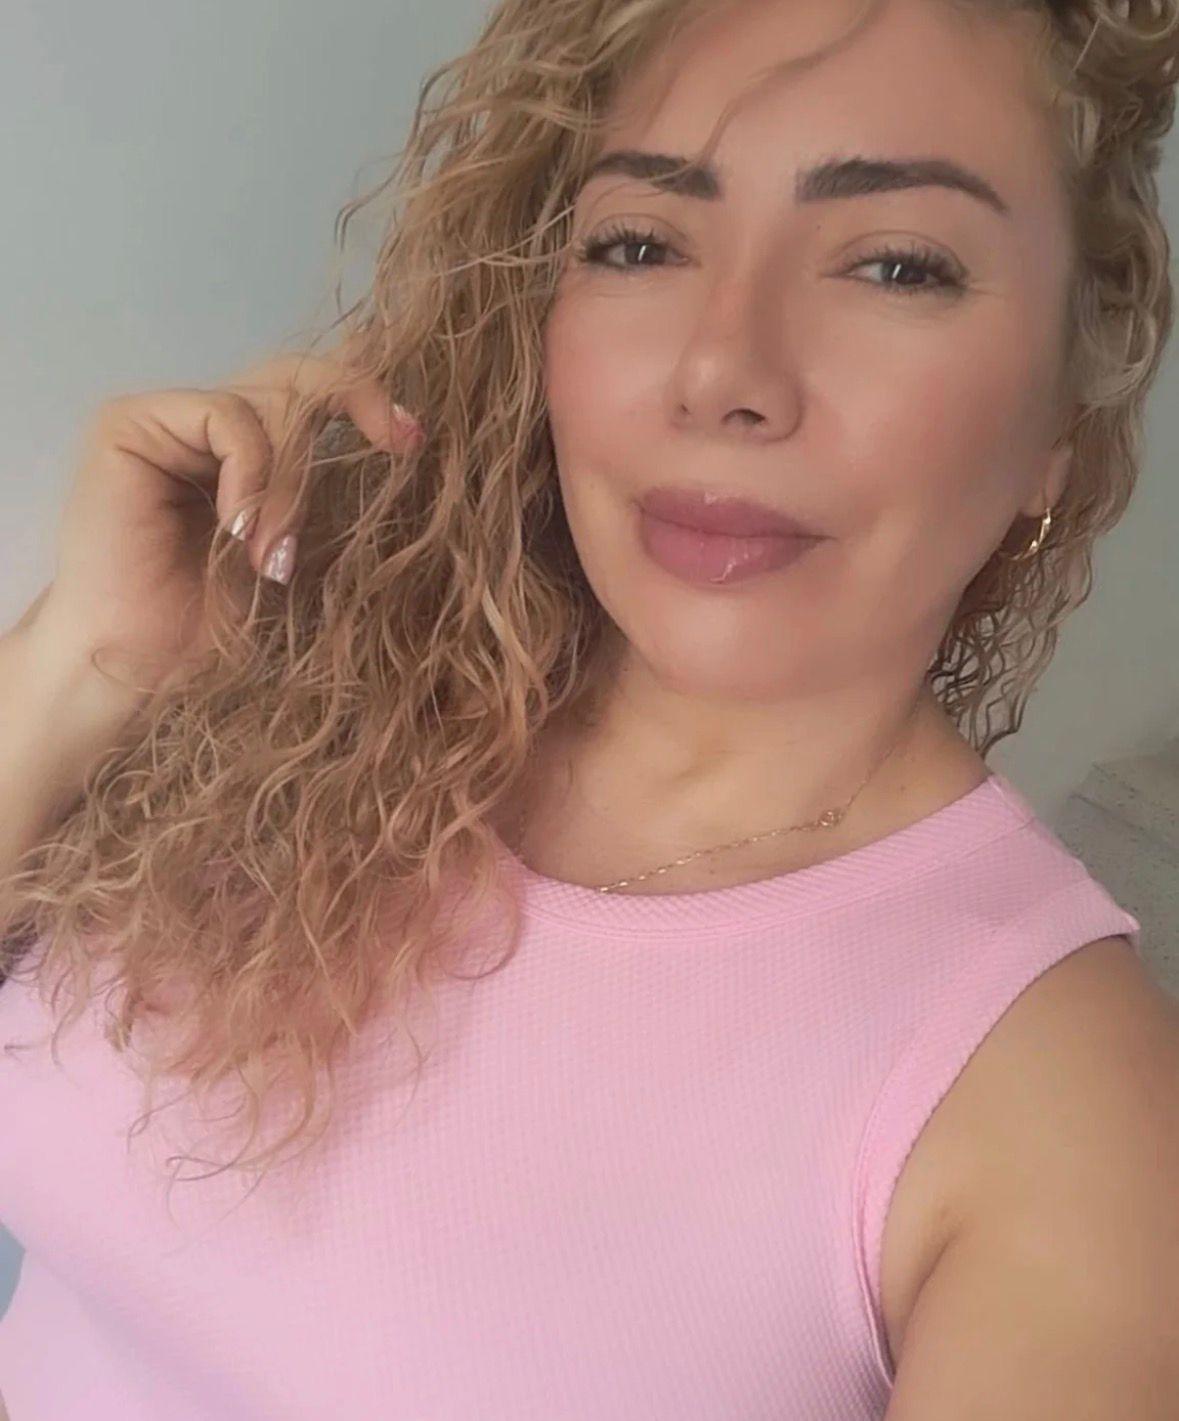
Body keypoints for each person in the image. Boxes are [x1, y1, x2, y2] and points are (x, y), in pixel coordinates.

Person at [0, 0, 1177, 1416]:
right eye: (641, 244)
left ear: (1066, 413)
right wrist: (89, 662)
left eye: (895, 265)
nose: (721, 372)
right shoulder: (319, 685)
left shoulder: (1065, 1113)